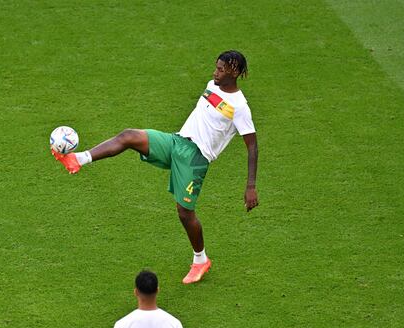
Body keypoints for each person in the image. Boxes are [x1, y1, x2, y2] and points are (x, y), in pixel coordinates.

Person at [53, 50, 259, 285]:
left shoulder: (240, 107)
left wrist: (250, 186)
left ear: (233, 71)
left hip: (195, 159)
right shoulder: (212, 85)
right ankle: (78, 160)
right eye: (216, 67)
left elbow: (252, 146)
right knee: (129, 136)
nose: (215, 72)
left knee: (184, 212)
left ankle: (200, 260)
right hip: (176, 142)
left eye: (221, 69)